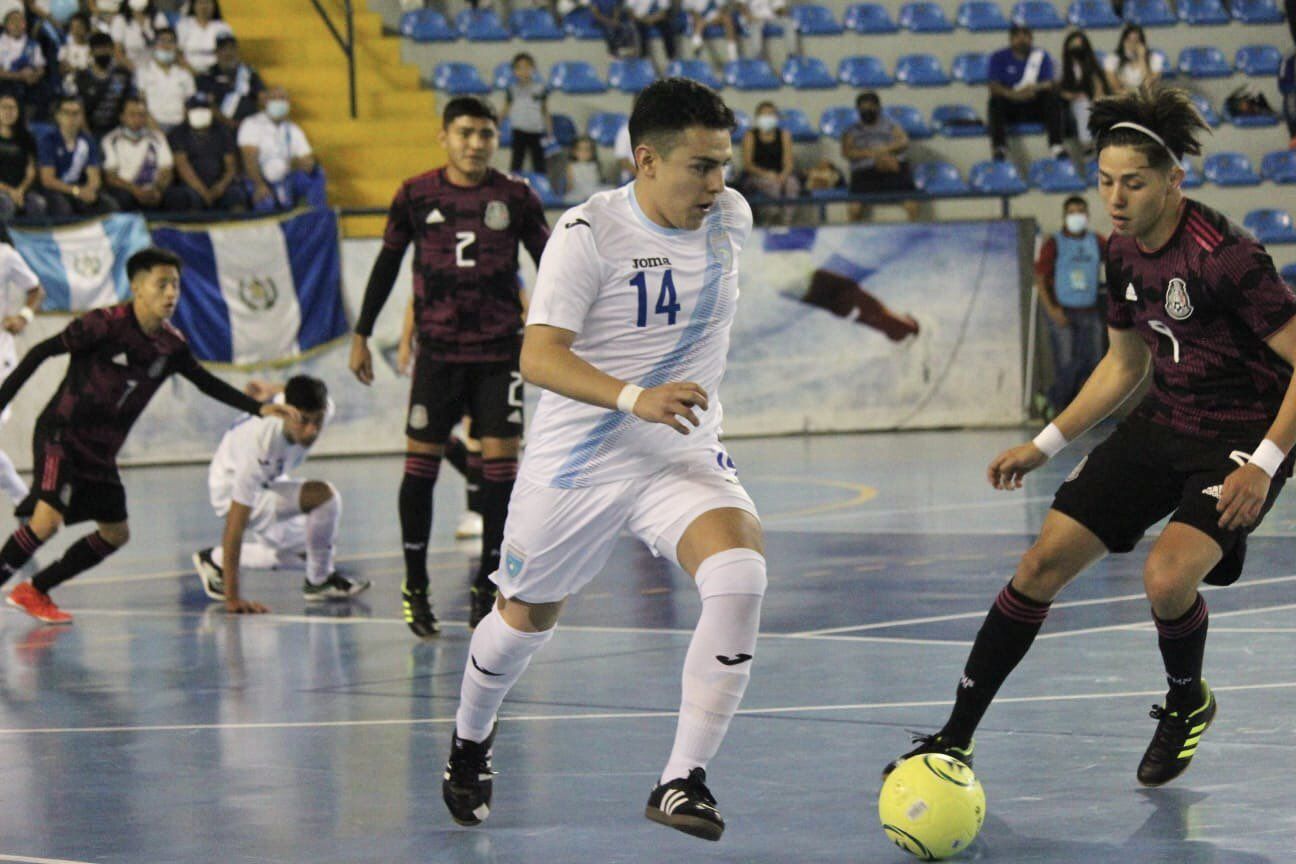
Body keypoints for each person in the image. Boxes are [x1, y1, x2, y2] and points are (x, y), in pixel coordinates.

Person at [886, 86, 1296, 790]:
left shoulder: (1228, 258)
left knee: (1166, 579)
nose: (1115, 196)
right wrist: (1042, 446)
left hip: (1242, 432)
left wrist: (1262, 465)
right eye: (1105, 181)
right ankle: (954, 737)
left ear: (1175, 179)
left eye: (1133, 182)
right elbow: (1123, 365)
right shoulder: (1121, 252)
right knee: (1040, 564)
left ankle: (1185, 701)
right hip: (1164, 421)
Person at [439, 77, 766, 843]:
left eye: (724, 164)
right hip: (579, 459)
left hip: (677, 452)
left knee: (741, 573)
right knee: (522, 620)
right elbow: (540, 356)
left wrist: (662, 411)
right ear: (645, 161)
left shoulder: (731, 220)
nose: (717, 184)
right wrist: (632, 396)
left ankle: (681, 780)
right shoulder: (587, 235)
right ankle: (469, 737)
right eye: (700, 167)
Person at [0, 247, 298, 624]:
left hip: (100, 453)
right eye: (162, 285)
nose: (171, 293)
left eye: (175, 284)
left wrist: (259, 408)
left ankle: (34, 590)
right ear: (137, 287)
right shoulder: (102, 324)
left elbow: (205, 382)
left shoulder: (171, 346)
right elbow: (39, 353)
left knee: (115, 534)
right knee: (46, 521)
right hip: (62, 434)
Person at [349, 96, 549, 636]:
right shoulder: (415, 194)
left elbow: (550, 265)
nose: (475, 143)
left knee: (500, 474)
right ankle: (415, 583)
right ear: (443, 136)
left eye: (485, 134)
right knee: (421, 470)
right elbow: (388, 263)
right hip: (437, 355)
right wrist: (363, 332)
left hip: (498, 353)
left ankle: (488, 583)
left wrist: (561, 332)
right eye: (465, 133)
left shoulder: (516, 196)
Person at [193, 376, 370, 610]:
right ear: (286, 413)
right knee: (325, 497)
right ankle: (319, 582)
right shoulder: (261, 441)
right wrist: (232, 597)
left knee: (308, 552)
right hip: (229, 484)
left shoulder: (322, 409)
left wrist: (270, 387)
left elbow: (292, 393)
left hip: (271, 477)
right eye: (304, 421)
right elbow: (235, 524)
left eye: (317, 421)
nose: (312, 431)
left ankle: (213, 560)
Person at [396, 296, 485, 541]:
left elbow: (520, 300)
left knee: (474, 432)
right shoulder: (434, 261)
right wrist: (405, 343)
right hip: (439, 358)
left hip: (481, 355)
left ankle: (476, 512)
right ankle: (491, 490)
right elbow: (415, 299)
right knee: (435, 437)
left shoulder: (493, 260)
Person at [1035, 195, 1107, 415]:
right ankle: (1055, 403)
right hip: (1062, 310)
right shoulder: (1054, 243)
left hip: (1090, 311)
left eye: (1081, 212)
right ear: (1065, 216)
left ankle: (1080, 410)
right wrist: (1052, 310)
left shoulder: (1096, 241)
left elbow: (1116, 260)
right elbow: (1040, 278)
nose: (1077, 216)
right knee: (1067, 363)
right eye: (1072, 212)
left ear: (1087, 215)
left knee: (1093, 363)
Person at [0, 231, 41, 506]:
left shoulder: (5, 255)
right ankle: (26, 503)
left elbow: (36, 288)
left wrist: (24, 316)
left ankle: (24, 501)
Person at [237, 85, 326, 212]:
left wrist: (293, 165)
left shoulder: (293, 129)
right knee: (265, 202)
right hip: (260, 178)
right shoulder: (252, 124)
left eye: (282, 99)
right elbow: (249, 159)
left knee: (317, 174)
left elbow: (307, 161)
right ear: (265, 101)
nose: (279, 102)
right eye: (274, 98)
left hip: (286, 177)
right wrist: (259, 185)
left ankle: (315, 217)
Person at [988, 23, 1066, 161]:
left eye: (1025, 36)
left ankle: (1056, 145)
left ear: (1031, 38)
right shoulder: (998, 57)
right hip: (1010, 106)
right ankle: (999, 148)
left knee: (1052, 98)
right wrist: (1015, 95)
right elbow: (994, 85)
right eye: (1017, 36)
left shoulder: (1041, 56)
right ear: (1011, 39)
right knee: (995, 101)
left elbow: (1048, 83)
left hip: (1034, 105)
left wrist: (1032, 89)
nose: (1022, 39)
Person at [841, 90, 919, 222]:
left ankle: (915, 234)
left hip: (892, 169)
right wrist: (873, 154)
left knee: (912, 205)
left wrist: (884, 150)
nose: (867, 110)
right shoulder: (851, 131)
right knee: (854, 209)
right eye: (863, 108)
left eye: (871, 107)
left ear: (878, 107)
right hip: (865, 173)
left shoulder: (890, 125)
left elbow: (904, 142)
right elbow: (847, 152)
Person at [37, 96, 118, 216]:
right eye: (67, 113)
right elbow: (48, 180)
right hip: (56, 190)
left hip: (80, 188)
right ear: (58, 116)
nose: (72, 118)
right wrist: (76, 191)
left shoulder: (87, 140)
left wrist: (90, 190)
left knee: (109, 205)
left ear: (81, 117)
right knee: (62, 207)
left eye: (76, 114)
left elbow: (94, 176)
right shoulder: (49, 140)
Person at [165, 90, 243, 211]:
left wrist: (220, 187)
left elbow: (231, 166)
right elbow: (182, 166)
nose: (200, 113)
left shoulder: (222, 132)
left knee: (236, 194)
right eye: (195, 109)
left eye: (204, 109)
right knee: (185, 197)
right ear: (186, 111)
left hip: (219, 184)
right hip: (190, 185)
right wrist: (203, 192)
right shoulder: (178, 133)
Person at [101, 94, 174, 211]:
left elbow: (167, 170)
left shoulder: (158, 137)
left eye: (141, 115)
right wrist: (135, 191)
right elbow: (111, 177)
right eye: (132, 115)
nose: (137, 119)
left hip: (154, 190)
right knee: (122, 198)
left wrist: (157, 189)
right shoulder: (110, 140)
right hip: (127, 190)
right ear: (122, 117)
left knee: (178, 196)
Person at [739, 100, 798, 225]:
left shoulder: (784, 135)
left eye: (771, 114)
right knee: (772, 185)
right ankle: (772, 218)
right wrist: (766, 174)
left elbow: (789, 162)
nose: (768, 117)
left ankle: (787, 219)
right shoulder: (750, 136)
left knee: (792, 183)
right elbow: (748, 164)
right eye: (764, 114)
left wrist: (783, 175)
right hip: (757, 176)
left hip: (779, 174)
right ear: (757, 117)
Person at [1058, 30, 1115, 148]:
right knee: (1082, 103)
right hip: (1069, 108)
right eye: (1073, 47)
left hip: (1092, 105)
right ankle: (1086, 145)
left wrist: (1097, 100)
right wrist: (1070, 95)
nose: (1076, 51)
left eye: (1079, 47)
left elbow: (1099, 90)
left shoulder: (1093, 67)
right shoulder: (1061, 68)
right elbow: (1057, 91)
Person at [74, 31, 136, 139]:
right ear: (91, 52)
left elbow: (130, 104)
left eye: (106, 48)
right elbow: (79, 109)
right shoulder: (82, 77)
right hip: (91, 131)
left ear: (112, 50)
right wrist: (88, 137)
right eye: (99, 48)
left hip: (119, 132)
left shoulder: (123, 74)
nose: (103, 52)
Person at [134, 26, 195, 130]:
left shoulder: (185, 75)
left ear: (176, 46)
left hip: (178, 126)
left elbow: (189, 105)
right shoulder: (143, 72)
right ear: (154, 45)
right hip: (150, 125)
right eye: (162, 41)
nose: (166, 46)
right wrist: (152, 125)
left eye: (170, 42)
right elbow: (140, 102)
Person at [197, 33, 261, 129]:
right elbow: (206, 105)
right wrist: (228, 123)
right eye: (223, 49)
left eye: (232, 48)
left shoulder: (249, 74)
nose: (228, 53)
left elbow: (262, 99)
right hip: (217, 130)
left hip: (249, 129)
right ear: (216, 52)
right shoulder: (206, 76)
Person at [0, 93, 45, 218]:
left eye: (12, 108)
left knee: (38, 203)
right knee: (5, 204)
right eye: (4, 107)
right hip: (2, 190)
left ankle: (30, 238)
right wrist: (10, 191)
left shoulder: (26, 137)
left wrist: (20, 190)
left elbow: (31, 169)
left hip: (22, 189)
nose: (9, 112)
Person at [503, 52, 549, 174]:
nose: (524, 71)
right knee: (517, 160)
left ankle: (541, 187)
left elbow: (545, 110)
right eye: (519, 68)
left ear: (533, 69)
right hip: (519, 129)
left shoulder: (540, 88)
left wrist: (549, 129)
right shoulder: (512, 89)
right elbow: (506, 108)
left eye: (527, 67)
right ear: (514, 71)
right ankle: (512, 185)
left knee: (539, 162)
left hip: (536, 130)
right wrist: (496, 124)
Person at [0, 8, 46, 116]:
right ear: (6, 25)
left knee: (41, 88)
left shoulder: (33, 44)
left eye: (20, 21)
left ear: (24, 24)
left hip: (28, 84)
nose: (16, 24)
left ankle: (28, 122)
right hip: (7, 84)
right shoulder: (1, 44)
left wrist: (35, 75)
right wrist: (19, 76)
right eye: (13, 21)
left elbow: (41, 68)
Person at [176, 0, 231, 75]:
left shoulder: (223, 27)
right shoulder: (184, 25)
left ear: (214, 5)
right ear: (193, 5)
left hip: (215, 74)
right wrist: (192, 72)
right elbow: (178, 53)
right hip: (187, 72)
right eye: (200, 3)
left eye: (207, 2)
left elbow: (228, 53)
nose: (204, 6)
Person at [1105, 24, 1163, 92]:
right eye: (1128, 41)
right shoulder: (1112, 58)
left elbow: (1149, 86)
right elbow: (1115, 87)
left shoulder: (1155, 58)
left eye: (1136, 41)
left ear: (1142, 43)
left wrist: (1141, 58)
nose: (1132, 45)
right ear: (1123, 42)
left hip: (1147, 98)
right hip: (1123, 98)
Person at [683, 0, 738, 65]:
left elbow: (723, 7)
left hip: (714, 15)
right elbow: (688, 8)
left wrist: (718, 15)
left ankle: (732, 51)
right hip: (697, 17)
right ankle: (696, 42)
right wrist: (698, 16)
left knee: (727, 19)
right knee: (699, 22)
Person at [565, 134, 609, 202]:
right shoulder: (572, 166)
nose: (584, 153)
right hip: (578, 191)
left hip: (593, 190)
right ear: (574, 152)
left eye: (587, 150)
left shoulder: (595, 165)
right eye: (580, 150)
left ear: (592, 152)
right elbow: (570, 184)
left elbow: (598, 180)